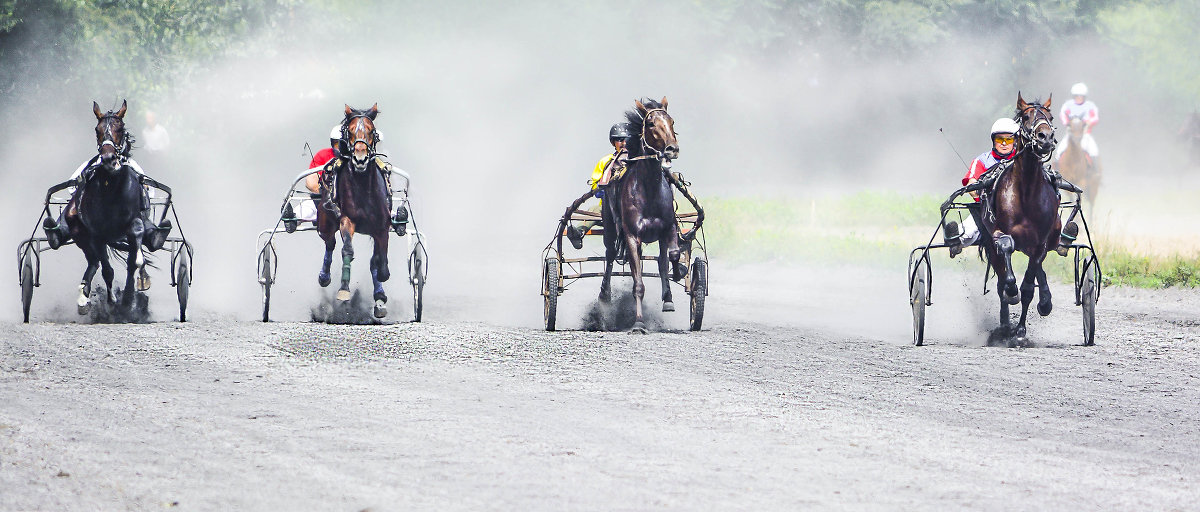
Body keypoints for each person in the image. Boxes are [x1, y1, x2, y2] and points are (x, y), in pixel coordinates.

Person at [944, 118, 1019, 257]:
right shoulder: (982, 160)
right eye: (999, 139)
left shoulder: (1023, 160)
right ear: (993, 140)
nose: (1003, 143)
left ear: (1015, 141)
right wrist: (978, 190)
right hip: (987, 210)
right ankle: (955, 239)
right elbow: (971, 182)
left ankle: (1061, 237)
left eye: (1008, 140)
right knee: (969, 233)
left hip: (1020, 211)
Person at [565, 123, 631, 249]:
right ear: (613, 143)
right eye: (620, 140)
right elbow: (595, 188)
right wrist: (604, 190)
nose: (624, 143)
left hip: (636, 211)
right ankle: (578, 232)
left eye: (627, 139)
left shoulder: (639, 161)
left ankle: (676, 236)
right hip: (610, 210)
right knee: (593, 211)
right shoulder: (606, 161)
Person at [284, 126, 341, 229]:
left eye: (343, 144)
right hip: (325, 197)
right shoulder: (323, 155)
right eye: (337, 144)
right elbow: (311, 180)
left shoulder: (356, 158)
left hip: (348, 200)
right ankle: (292, 219)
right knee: (309, 207)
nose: (340, 148)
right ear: (332, 144)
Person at [1055, 82, 1099, 167]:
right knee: (1059, 150)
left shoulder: (1090, 105)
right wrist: (1067, 123)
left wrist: (1089, 122)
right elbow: (1062, 115)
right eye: (1077, 96)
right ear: (1074, 96)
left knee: (1094, 151)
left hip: (1085, 134)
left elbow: (1095, 117)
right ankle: (1056, 170)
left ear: (1084, 97)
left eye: (1081, 96)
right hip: (1071, 134)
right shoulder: (1068, 105)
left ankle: (1095, 171)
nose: (1079, 98)